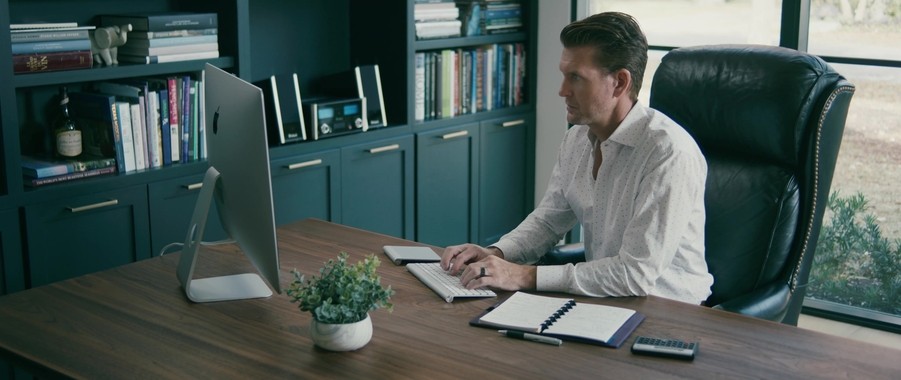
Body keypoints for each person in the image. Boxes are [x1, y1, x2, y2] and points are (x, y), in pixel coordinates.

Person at [440, 12, 714, 305]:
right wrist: (497, 253)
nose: (562, 91)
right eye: (564, 75)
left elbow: (636, 274)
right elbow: (547, 222)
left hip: (671, 312)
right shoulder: (576, 139)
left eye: (576, 78)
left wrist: (523, 275)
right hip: (605, 298)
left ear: (619, 83)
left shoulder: (667, 153)